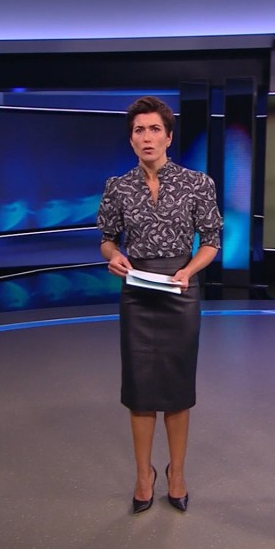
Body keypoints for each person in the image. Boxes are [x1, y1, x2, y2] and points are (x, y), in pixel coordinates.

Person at [96, 96, 223, 514]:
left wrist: (188, 271)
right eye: (139, 130)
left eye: (154, 129)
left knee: (177, 389)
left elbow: (211, 242)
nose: (147, 137)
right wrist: (113, 255)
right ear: (131, 139)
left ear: (169, 137)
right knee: (140, 390)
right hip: (137, 292)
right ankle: (143, 475)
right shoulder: (117, 186)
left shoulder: (197, 183)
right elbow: (107, 239)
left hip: (179, 290)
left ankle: (177, 474)